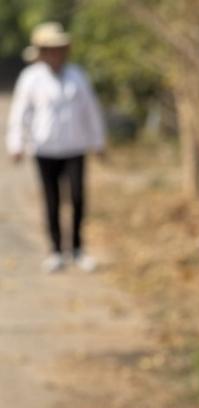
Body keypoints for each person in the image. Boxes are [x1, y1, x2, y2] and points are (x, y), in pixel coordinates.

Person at [6, 22, 106, 274]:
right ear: (41, 52)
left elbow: (90, 111)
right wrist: (16, 143)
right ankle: (55, 251)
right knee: (52, 200)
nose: (55, 54)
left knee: (77, 197)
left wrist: (98, 142)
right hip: (45, 148)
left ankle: (78, 248)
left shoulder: (77, 76)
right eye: (50, 49)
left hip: (74, 147)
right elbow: (20, 113)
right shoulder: (30, 78)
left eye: (59, 49)